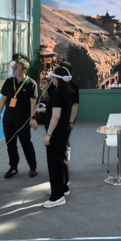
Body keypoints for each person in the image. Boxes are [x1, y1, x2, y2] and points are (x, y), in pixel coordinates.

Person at [34, 66, 75, 208]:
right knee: (61, 159)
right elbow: (59, 112)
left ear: (58, 78)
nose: (52, 79)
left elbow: (56, 116)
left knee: (54, 163)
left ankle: (57, 196)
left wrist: (48, 135)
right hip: (64, 130)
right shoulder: (67, 93)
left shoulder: (57, 96)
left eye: (53, 77)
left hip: (56, 133)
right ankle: (63, 187)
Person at [0, 58, 38, 179]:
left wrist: (32, 118)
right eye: (13, 67)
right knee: (10, 144)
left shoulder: (31, 84)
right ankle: (13, 167)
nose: (13, 69)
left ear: (24, 70)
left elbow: (33, 102)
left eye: (16, 68)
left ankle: (32, 166)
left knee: (26, 143)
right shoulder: (9, 82)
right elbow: (4, 98)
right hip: (8, 119)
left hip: (23, 120)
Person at [41, 60, 80, 160]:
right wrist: (44, 88)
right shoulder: (55, 86)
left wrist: (71, 121)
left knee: (59, 151)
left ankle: (65, 159)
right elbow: (46, 96)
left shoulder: (72, 87)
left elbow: (74, 105)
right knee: (59, 152)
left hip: (62, 124)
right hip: (58, 124)